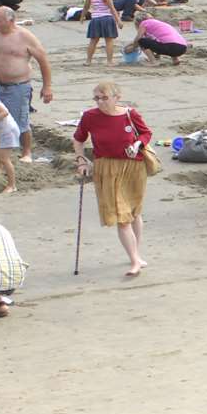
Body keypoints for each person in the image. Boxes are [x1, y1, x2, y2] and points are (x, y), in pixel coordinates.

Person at [72, 82, 152, 278]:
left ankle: (136, 254)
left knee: (134, 211)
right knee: (121, 216)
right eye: (97, 98)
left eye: (104, 98)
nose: (100, 102)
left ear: (117, 97)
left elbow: (146, 132)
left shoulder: (129, 114)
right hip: (106, 167)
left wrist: (138, 143)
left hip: (133, 166)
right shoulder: (90, 116)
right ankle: (134, 261)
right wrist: (81, 161)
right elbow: (78, 139)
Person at [0, 6, 52, 162]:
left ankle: (26, 152)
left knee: (19, 120)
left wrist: (47, 86)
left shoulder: (26, 37)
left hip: (17, 86)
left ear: (11, 20)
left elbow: (43, 61)